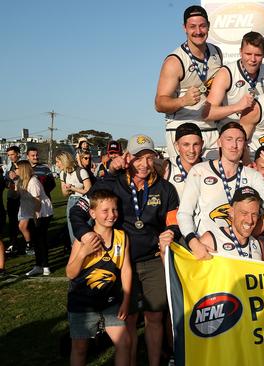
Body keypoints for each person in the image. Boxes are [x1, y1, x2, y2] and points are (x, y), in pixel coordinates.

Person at [70, 134, 180, 366]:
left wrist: (171, 232)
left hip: (151, 260)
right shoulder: (111, 182)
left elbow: (174, 222)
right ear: (127, 157)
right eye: (138, 158)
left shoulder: (165, 188)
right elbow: (78, 212)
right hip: (121, 263)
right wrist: (85, 234)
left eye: (149, 157)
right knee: (127, 320)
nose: (144, 164)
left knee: (155, 316)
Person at [177, 122, 264, 239]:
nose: (234, 145)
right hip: (208, 248)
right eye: (229, 139)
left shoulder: (253, 175)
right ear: (219, 142)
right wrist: (193, 242)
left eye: (239, 140)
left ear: (244, 144)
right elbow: (184, 213)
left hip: (238, 249)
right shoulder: (200, 171)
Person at [65, 189, 132, 366]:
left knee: (124, 343)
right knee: (80, 349)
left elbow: (126, 269)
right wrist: (83, 253)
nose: (111, 215)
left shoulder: (122, 236)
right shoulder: (83, 239)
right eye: (105, 210)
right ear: (92, 213)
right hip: (82, 303)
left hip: (110, 302)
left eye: (115, 209)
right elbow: (70, 273)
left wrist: (125, 300)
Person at [155, 5, 223, 160]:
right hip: (182, 130)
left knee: (212, 182)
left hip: (211, 129)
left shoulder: (216, 53)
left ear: (208, 26)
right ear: (184, 28)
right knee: (184, 183)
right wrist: (183, 100)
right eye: (192, 27)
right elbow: (159, 103)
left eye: (202, 26)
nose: (198, 31)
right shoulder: (175, 61)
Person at [181, 186, 264, 261]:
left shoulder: (258, 245)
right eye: (244, 213)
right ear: (231, 212)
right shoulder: (211, 240)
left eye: (254, 214)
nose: (250, 220)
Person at [203, 31, 264, 125]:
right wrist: (237, 107)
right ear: (240, 52)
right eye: (248, 54)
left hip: (257, 134)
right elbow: (207, 113)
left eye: (258, 55)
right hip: (232, 133)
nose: (253, 59)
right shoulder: (226, 73)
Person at [15, 161, 54, 276]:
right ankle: (38, 266)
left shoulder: (33, 182)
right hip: (31, 213)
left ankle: (46, 266)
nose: (15, 170)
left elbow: (37, 202)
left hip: (42, 213)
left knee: (41, 239)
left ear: (22, 170)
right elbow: (17, 193)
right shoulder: (21, 181)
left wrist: (36, 217)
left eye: (17, 168)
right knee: (36, 240)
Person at [56, 151, 92, 246]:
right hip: (71, 201)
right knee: (72, 227)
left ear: (64, 161)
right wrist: (67, 189)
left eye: (58, 162)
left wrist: (73, 188)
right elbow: (64, 193)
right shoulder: (62, 174)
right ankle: (75, 248)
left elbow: (89, 190)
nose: (57, 164)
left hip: (84, 200)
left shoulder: (81, 171)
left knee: (86, 225)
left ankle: (88, 248)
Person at [162, 122, 204, 198]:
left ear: (202, 144)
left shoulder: (210, 166)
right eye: (186, 145)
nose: (192, 150)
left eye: (196, 144)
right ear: (177, 146)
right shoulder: (166, 168)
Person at [3, 146, 21, 255]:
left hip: (22, 197)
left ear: (18, 153)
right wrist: (9, 184)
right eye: (8, 155)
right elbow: (5, 181)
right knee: (13, 222)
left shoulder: (23, 164)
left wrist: (16, 180)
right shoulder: (9, 165)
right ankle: (13, 243)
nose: (10, 157)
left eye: (12, 154)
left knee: (23, 223)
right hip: (11, 197)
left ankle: (28, 243)